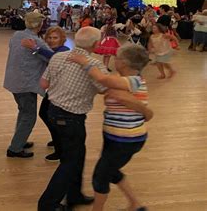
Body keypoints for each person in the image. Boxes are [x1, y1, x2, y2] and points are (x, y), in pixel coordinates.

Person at [37, 27, 144, 211]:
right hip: (71, 118)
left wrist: (61, 88)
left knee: (76, 155)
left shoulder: (57, 57)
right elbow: (107, 90)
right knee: (70, 161)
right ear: (95, 44)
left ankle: (74, 195)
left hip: (52, 111)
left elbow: (44, 83)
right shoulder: (95, 65)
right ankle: (48, 205)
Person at [69, 44, 153, 211]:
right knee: (111, 170)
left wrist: (84, 61)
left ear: (125, 63)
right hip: (114, 137)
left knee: (100, 177)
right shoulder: (121, 79)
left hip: (127, 140)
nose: (114, 59)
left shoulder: (133, 81)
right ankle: (135, 204)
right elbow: (103, 85)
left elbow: (102, 79)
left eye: (117, 57)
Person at [3, 12, 50, 158]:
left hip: (14, 81)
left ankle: (20, 140)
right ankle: (15, 148)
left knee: (23, 112)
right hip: (25, 84)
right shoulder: (36, 42)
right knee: (29, 116)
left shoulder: (17, 35)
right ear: (40, 24)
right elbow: (53, 58)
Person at [21, 26, 70, 161]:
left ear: (62, 39)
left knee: (49, 115)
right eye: (49, 37)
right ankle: (58, 140)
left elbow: (54, 57)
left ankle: (60, 149)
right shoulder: (49, 50)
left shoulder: (63, 50)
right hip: (54, 89)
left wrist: (36, 48)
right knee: (47, 114)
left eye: (55, 38)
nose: (52, 40)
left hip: (61, 90)